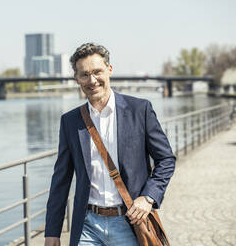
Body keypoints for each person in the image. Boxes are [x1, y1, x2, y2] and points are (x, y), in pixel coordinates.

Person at [44, 43, 176, 246]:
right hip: (87, 225)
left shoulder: (139, 110)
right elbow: (60, 180)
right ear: (77, 78)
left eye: (97, 72)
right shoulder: (70, 121)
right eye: (84, 74)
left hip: (130, 223)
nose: (92, 80)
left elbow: (166, 159)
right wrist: (52, 231)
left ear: (109, 70)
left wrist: (148, 198)